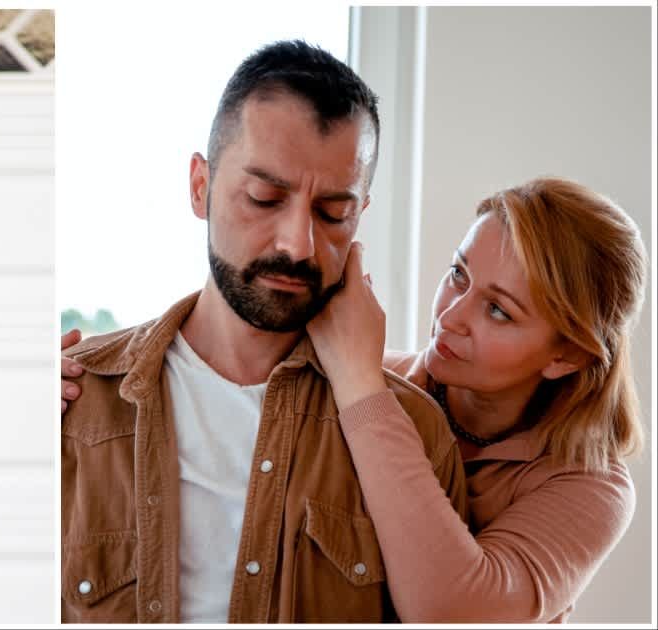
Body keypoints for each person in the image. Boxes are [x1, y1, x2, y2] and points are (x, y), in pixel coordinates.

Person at [59, 40, 467, 624]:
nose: (297, 244)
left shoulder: (416, 437)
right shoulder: (68, 406)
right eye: (264, 197)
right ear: (200, 186)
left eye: (332, 213)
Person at [303, 177, 644, 622]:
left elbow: (453, 614)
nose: (450, 316)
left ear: (567, 354)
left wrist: (360, 387)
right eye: (457, 274)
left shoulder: (592, 486)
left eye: (498, 310)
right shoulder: (359, 379)